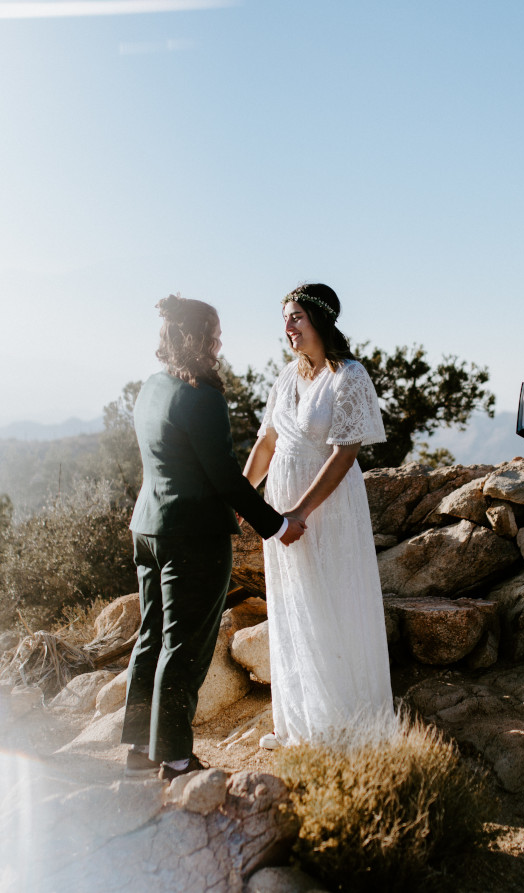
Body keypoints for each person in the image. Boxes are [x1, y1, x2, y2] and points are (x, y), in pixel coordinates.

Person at [123, 295, 306, 780]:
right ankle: (178, 759)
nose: (219, 341)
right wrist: (278, 525)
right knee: (185, 648)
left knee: (151, 640)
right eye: (213, 333)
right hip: (193, 537)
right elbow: (225, 477)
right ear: (192, 338)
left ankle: (141, 751)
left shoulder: (152, 387)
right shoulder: (200, 395)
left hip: (148, 528)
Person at [243, 283, 397, 748]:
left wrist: (299, 512)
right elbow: (268, 443)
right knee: (293, 607)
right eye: (285, 319)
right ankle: (298, 723)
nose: (287, 328)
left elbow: (345, 452)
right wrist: (240, 496)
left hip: (326, 508)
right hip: (281, 506)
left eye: (295, 318)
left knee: (333, 605)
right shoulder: (286, 378)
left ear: (320, 320)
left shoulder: (349, 376)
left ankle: (346, 726)